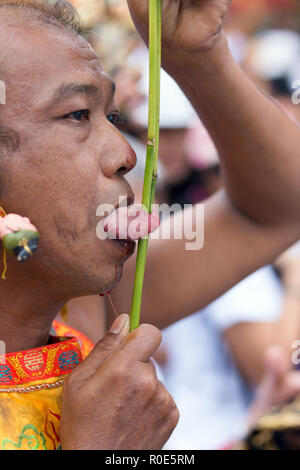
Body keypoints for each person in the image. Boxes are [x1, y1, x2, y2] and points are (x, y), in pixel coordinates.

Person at [0, 0, 300, 451]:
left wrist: (198, 54)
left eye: (114, 117)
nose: (127, 155)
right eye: (78, 114)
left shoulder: (84, 308)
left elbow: (273, 210)